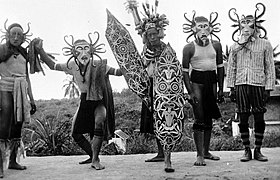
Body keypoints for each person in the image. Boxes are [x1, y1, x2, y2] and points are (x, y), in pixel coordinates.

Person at [34, 32, 122, 170]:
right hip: (84, 100)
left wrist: (127, 58)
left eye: (86, 48)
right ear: (73, 52)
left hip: (99, 100)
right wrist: (40, 50)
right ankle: (92, 155)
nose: (83, 52)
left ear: (92, 50)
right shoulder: (71, 65)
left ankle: (95, 159)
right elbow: (52, 65)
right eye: (79, 49)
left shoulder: (100, 65)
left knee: (99, 122)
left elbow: (118, 72)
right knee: (75, 133)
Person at [125, 0, 183, 172]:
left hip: (166, 90)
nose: (152, 37)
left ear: (159, 34)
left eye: (154, 34)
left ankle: (168, 159)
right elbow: (141, 67)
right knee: (155, 122)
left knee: (167, 120)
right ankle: (160, 153)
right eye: (149, 35)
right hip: (150, 87)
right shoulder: (145, 50)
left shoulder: (168, 50)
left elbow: (175, 69)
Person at [227, 3, 275, 162]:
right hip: (241, 84)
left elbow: (269, 66)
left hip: (258, 84)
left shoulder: (265, 44)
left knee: (259, 117)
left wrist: (268, 88)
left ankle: (259, 150)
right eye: (244, 25)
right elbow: (231, 66)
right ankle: (246, 149)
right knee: (242, 117)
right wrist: (231, 87)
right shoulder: (236, 46)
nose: (247, 28)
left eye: (251, 25)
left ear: (256, 27)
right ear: (239, 27)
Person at [182, 12, 224, 166]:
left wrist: (220, 89)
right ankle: (199, 155)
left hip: (212, 81)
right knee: (199, 118)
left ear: (211, 28)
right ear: (194, 29)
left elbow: (220, 68)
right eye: (200, 27)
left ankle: (206, 151)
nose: (203, 30)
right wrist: (190, 92)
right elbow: (185, 72)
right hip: (197, 82)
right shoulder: (188, 48)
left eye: (206, 26)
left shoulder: (217, 46)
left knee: (208, 118)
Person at [0, 21, 37, 178]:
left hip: (21, 90)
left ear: (23, 38)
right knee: (4, 123)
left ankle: (13, 161)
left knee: (18, 123)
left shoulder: (23, 53)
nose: (16, 37)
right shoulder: (1, 51)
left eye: (19, 35)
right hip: (5, 89)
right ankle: (0, 166)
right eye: (13, 34)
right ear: (7, 35)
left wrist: (32, 99)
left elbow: (26, 77)